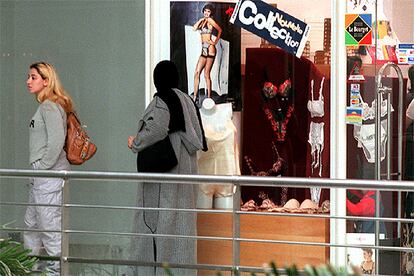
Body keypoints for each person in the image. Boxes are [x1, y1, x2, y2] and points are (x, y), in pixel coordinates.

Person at [127, 60, 207, 275]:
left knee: (156, 226)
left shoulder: (162, 100)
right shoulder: (187, 100)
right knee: (181, 230)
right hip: (185, 173)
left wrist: (136, 141)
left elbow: (156, 128)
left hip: (164, 177)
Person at [25, 61, 74, 275]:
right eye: (29, 76)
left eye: (33, 77)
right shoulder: (48, 105)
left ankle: (54, 272)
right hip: (42, 175)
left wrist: (42, 168)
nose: (28, 81)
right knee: (33, 226)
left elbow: (55, 143)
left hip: (47, 175)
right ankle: (31, 270)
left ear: (46, 81)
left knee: (50, 229)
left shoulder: (49, 106)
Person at [192, 3, 222, 104]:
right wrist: (201, 20)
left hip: (210, 49)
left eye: (208, 11)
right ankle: (195, 96)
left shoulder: (210, 20)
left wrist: (215, 42)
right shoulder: (203, 21)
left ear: (211, 13)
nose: (206, 13)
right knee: (197, 72)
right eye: (205, 11)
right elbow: (194, 28)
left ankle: (209, 97)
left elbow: (219, 30)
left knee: (206, 74)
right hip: (203, 49)